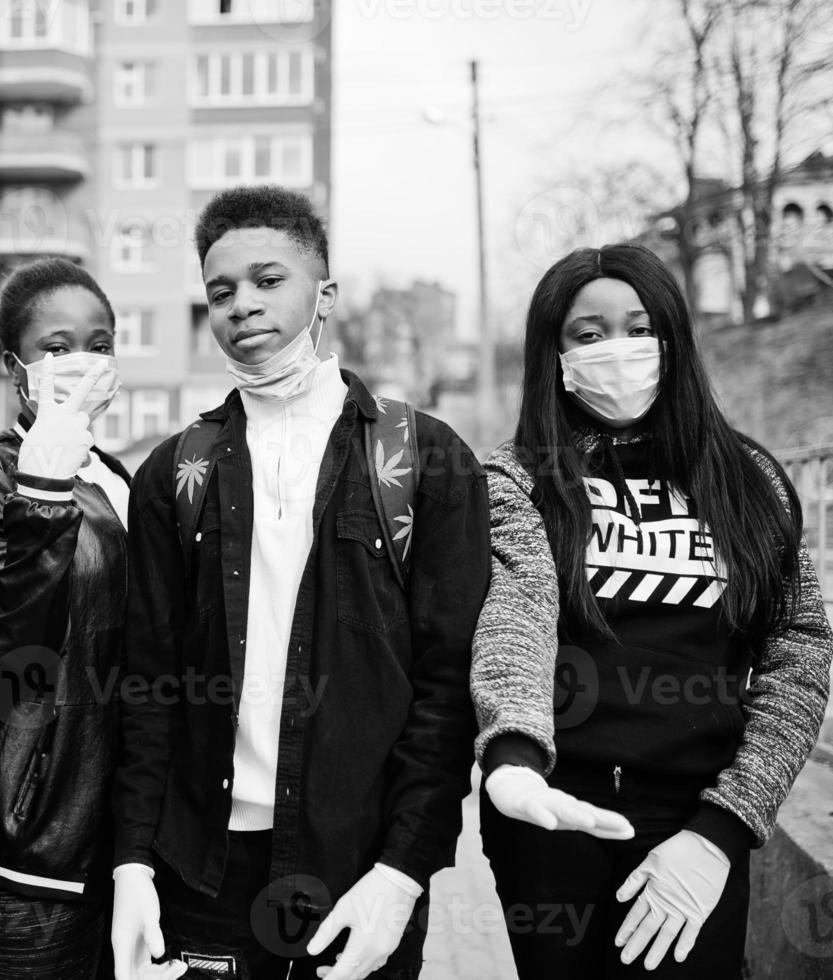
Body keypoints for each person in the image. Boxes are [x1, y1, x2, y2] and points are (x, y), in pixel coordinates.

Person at [111, 185, 490, 980]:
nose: (242, 303)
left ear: (323, 296)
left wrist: (402, 872)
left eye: (267, 279)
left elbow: (446, 686)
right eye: (221, 291)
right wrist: (132, 864)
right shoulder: (174, 473)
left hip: (357, 869)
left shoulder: (422, 460)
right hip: (200, 872)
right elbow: (146, 684)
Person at [471, 243, 833, 979]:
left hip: (697, 812)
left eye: (640, 328)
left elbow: (797, 649)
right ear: (555, 353)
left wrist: (723, 828)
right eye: (589, 333)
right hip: (550, 814)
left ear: (673, 338)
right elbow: (518, 614)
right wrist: (510, 764)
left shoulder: (749, 478)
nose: (618, 350)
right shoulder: (514, 478)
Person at [0, 258, 129, 979]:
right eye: (56, 347)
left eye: (99, 343)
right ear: (16, 370)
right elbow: (1, 647)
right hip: (34, 840)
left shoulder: (114, 475)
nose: (81, 361)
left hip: (120, 837)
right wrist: (41, 495)